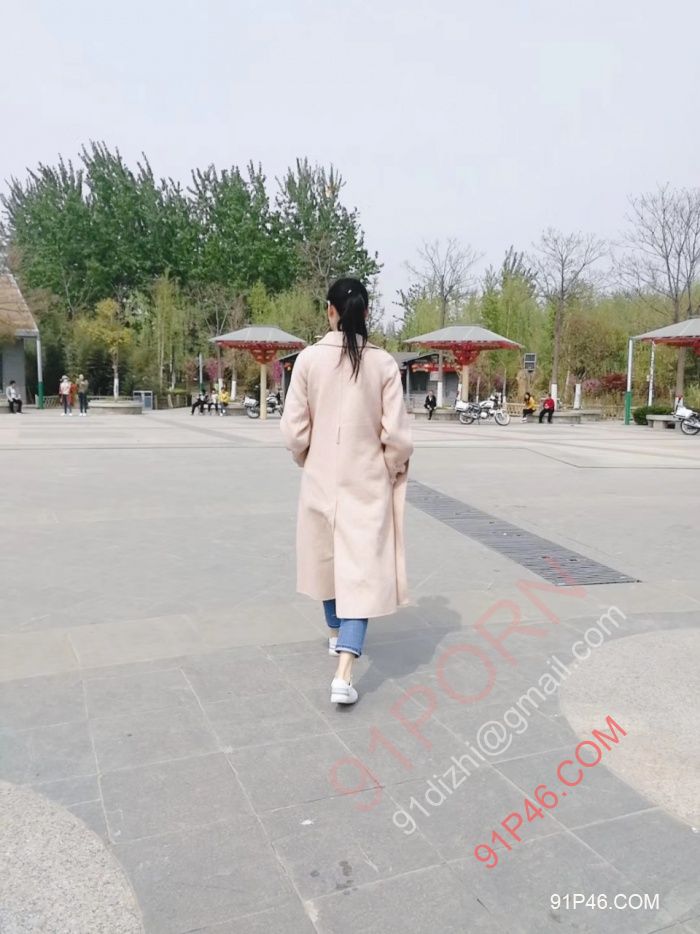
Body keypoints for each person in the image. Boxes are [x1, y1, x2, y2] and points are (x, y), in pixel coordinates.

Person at [281, 277, 413, 706]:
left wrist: (308, 457)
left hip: (320, 478)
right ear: (367, 312)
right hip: (367, 481)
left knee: (326, 561)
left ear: (329, 310)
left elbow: (293, 431)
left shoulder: (307, 360)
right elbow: (397, 437)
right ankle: (344, 671)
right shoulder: (383, 364)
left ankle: (338, 636)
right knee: (362, 570)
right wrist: (390, 467)